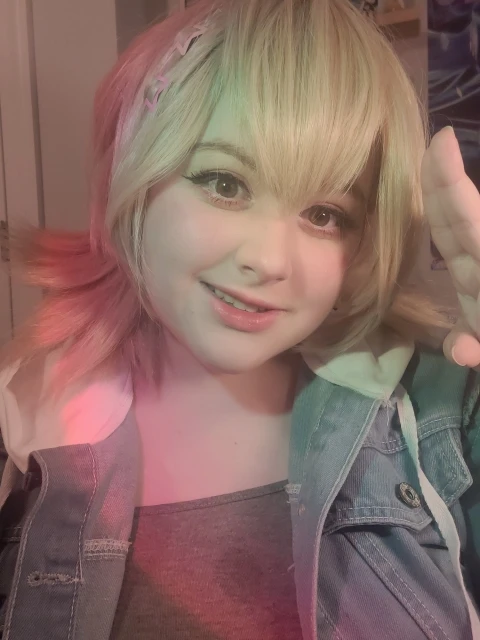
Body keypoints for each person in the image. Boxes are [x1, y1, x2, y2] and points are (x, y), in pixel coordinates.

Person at [0, 0, 480, 638]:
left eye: (324, 215)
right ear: (132, 168)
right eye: (225, 183)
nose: (269, 260)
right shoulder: (23, 430)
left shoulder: (438, 417)